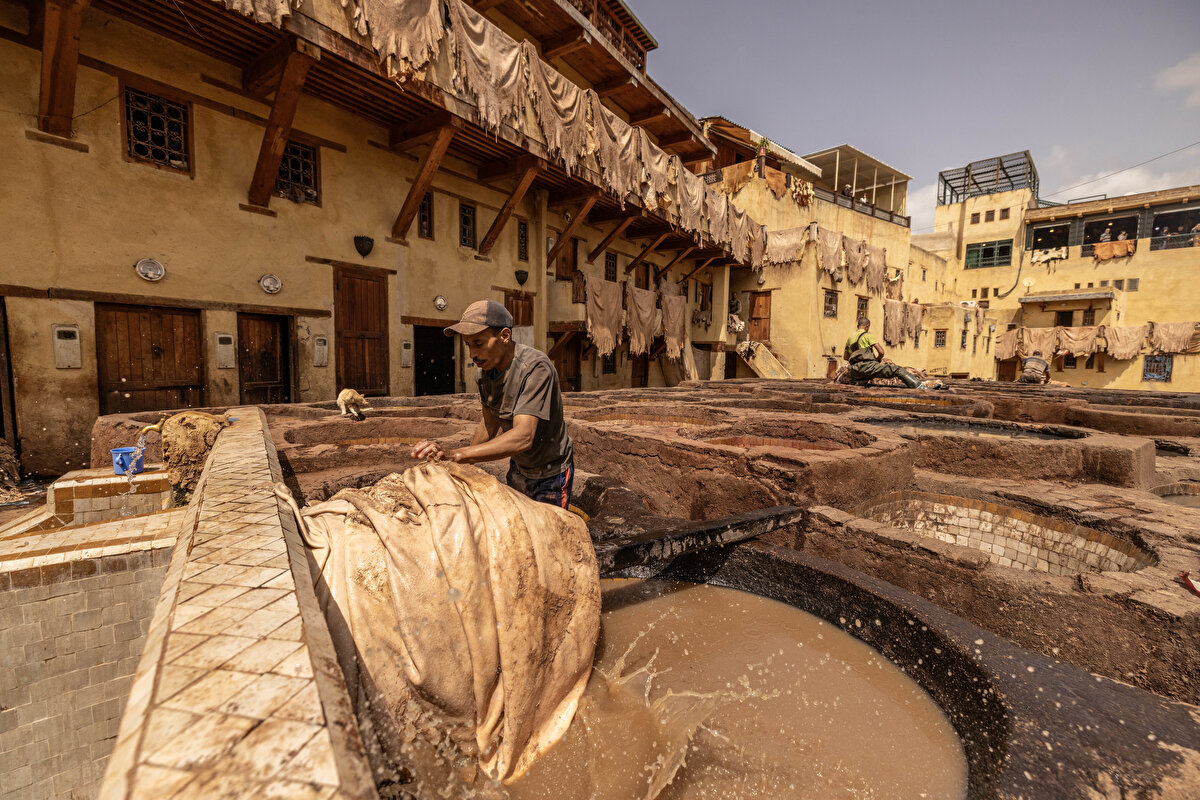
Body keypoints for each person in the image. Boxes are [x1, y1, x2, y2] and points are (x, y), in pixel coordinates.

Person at [411, 300, 575, 509]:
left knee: (551, 534)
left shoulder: (535, 368)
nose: (472, 355)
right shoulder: (484, 373)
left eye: (478, 343)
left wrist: (457, 454)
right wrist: (457, 466)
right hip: (519, 468)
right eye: (468, 345)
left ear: (504, 336)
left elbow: (524, 437)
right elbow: (489, 424)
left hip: (550, 474)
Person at [843, 316, 926, 389]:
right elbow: (881, 352)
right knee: (898, 370)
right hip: (869, 367)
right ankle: (920, 386)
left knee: (860, 385)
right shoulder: (867, 335)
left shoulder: (850, 338)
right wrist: (877, 360)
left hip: (855, 370)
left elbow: (846, 357)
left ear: (858, 326)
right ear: (867, 326)